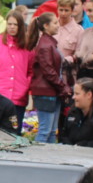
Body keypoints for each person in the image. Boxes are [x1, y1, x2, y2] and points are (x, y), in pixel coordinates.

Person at [0, 8, 33, 124]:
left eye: (15, 24)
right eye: (9, 24)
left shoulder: (27, 46)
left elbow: (31, 71)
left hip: (18, 98)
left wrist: (25, 85)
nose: (12, 27)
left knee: (15, 132)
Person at [29, 13, 69, 143]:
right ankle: (37, 159)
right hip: (45, 92)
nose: (58, 26)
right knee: (45, 130)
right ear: (46, 26)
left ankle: (51, 159)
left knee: (52, 131)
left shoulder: (49, 43)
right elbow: (49, 71)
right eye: (55, 23)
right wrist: (62, 86)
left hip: (52, 91)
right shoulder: (45, 45)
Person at [54, 0, 83, 67]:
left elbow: (79, 55)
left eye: (66, 10)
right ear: (57, 9)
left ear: (72, 11)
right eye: (61, 10)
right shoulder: (49, 26)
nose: (63, 13)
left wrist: (64, 60)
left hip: (67, 71)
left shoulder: (78, 31)